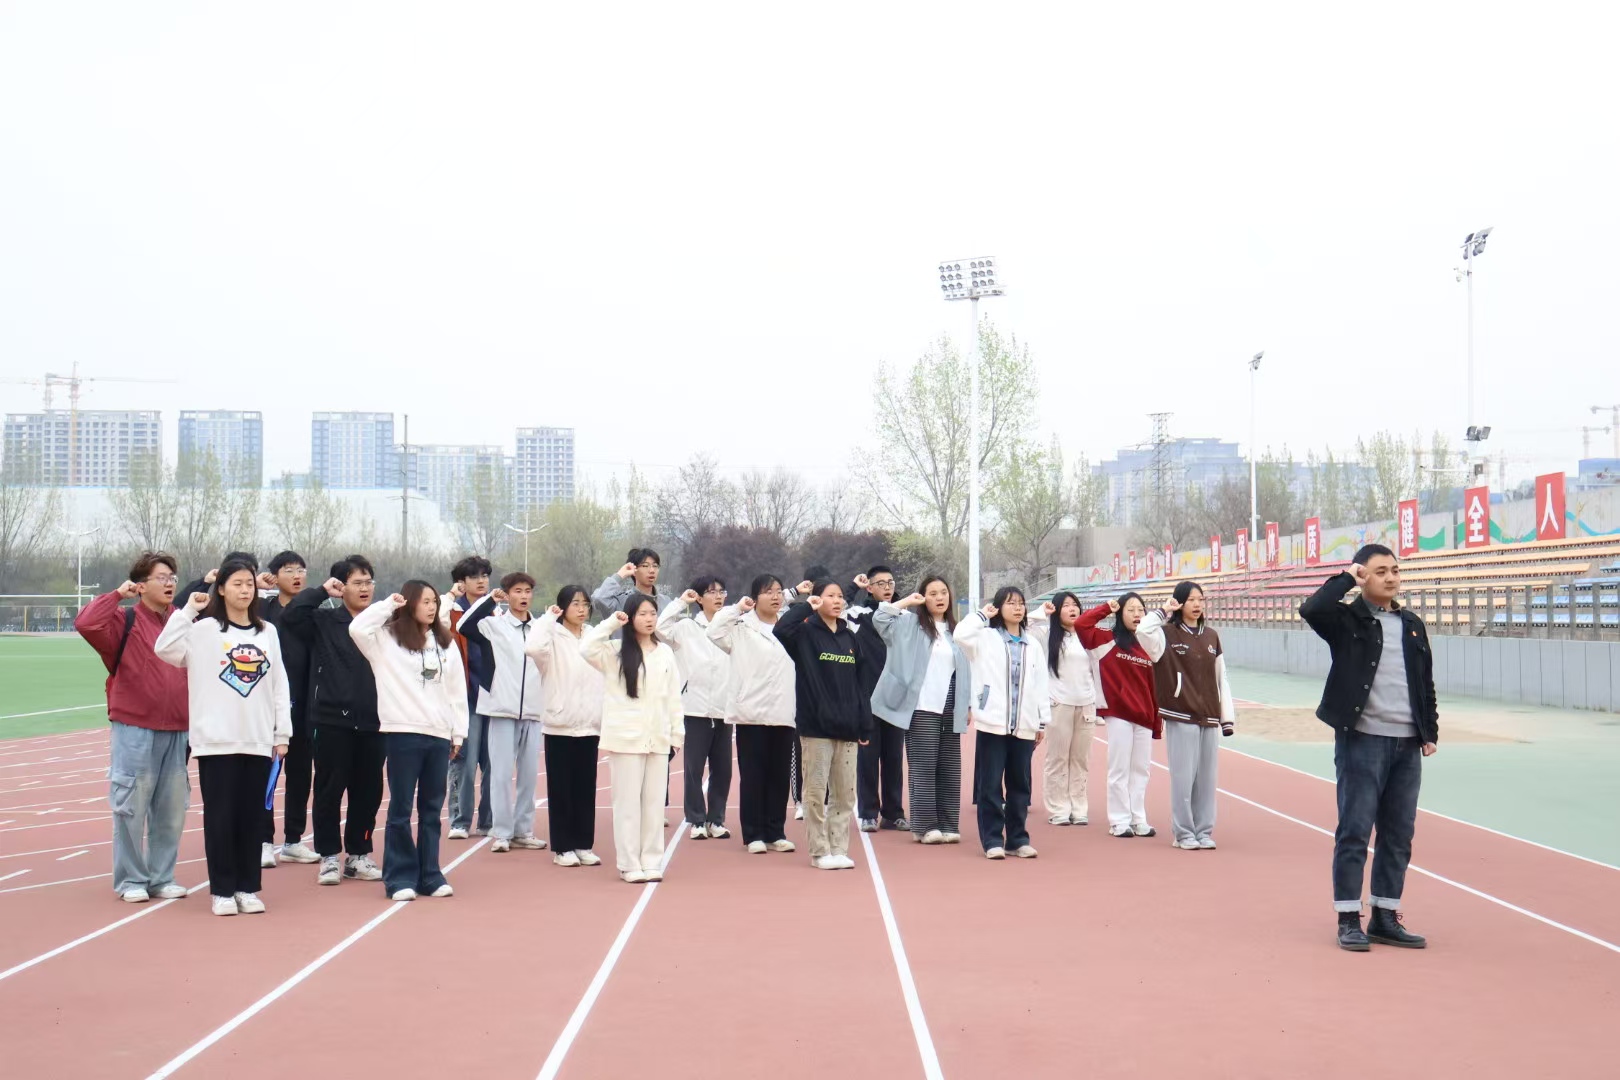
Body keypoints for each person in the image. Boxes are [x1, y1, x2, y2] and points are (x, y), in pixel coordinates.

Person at [1300, 544, 1437, 952]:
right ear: (1364, 575)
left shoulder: (1411, 624)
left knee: (1398, 834)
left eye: (1395, 570)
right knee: (1355, 830)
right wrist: (1347, 578)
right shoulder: (1347, 620)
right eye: (1380, 571)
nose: (1391, 577)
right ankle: (1348, 918)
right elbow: (1312, 609)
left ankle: (1385, 916)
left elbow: (1424, 682)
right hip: (1362, 740)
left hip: (1407, 744)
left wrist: (1429, 731)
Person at [154, 559, 291, 917]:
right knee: (221, 818)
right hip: (216, 740)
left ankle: (247, 887)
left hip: (257, 738)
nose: (245, 590)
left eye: (249, 584)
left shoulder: (267, 632)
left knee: (251, 818)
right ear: (222, 589)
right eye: (237, 584)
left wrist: (282, 733)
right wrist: (187, 611)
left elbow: (279, 684)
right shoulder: (204, 630)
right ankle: (223, 890)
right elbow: (164, 648)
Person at [73, 551, 190, 904]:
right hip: (134, 727)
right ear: (140, 585)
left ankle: (162, 877)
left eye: (172, 578)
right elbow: (86, 623)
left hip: (178, 728)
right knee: (130, 807)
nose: (169, 584)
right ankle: (131, 880)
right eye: (161, 578)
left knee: (171, 809)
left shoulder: (183, 622)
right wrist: (116, 595)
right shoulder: (123, 622)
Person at [349, 583, 468, 901]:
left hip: (439, 734)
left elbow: (457, 690)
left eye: (434, 602)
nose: (431, 607)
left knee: (431, 810)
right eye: (425, 601)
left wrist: (458, 732)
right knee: (401, 809)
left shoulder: (445, 642)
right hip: (402, 733)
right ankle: (399, 877)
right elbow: (357, 628)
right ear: (410, 603)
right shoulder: (386, 640)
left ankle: (430, 874)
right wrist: (388, 604)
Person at [281, 555, 386, 885]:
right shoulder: (324, 621)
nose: (365, 588)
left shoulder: (382, 623)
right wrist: (321, 591)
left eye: (369, 582)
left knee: (368, 792)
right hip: (330, 720)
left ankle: (359, 855)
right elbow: (289, 616)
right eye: (357, 582)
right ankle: (328, 855)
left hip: (374, 721)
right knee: (328, 790)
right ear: (341, 586)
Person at [774, 581, 877, 870]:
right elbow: (781, 629)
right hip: (816, 727)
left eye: (840, 596)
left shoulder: (849, 637)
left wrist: (864, 723)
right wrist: (808, 605)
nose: (837, 601)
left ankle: (839, 849)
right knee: (816, 793)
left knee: (844, 795)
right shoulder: (805, 634)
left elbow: (861, 684)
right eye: (830, 596)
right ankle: (820, 852)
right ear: (818, 600)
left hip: (848, 728)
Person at [582, 595, 684, 883]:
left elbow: (673, 695)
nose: (649, 619)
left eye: (653, 613)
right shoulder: (614, 652)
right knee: (627, 805)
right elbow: (585, 648)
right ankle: (629, 863)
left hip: (658, 738)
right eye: (642, 614)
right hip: (625, 739)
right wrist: (611, 623)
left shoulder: (665, 652)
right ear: (630, 617)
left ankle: (652, 861)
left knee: (653, 805)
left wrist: (677, 732)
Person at [871, 576, 970, 845]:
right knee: (923, 767)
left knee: (949, 768)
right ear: (924, 597)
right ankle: (924, 826)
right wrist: (906, 602)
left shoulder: (956, 631)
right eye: (932, 593)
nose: (939, 598)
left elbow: (966, 669)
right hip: (921, 706)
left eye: (943, 592)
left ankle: (948, 824)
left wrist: (967, 704)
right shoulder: (910, 624)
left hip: (950, 706)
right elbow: (880, 619)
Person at [707, 574, 800, 854]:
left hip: (783, 710)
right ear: (755, 597)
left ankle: (775, 831)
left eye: (779, 591)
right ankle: (753, 833)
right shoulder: (741, 626)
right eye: (768, 592)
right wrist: (737, 608)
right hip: (751, 711)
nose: (775, 596)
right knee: (753, 775)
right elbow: (713, 632)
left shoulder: (790, 626)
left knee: (779, 776)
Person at [955, 586, 1048, 859]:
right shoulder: (984, 638)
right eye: (1010, 603)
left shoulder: (1033, 644)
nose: (1017, 608)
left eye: (1020, 603)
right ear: (998, 607)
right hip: (992, 723)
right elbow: (960, 634)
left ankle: (1017, 839)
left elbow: (1041, 684)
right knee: (991, 785)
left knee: (1020, 785)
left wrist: (1041, 721)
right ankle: (993, 839)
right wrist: (982, 615)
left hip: (1024, 724)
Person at [457, 572, 547, 854]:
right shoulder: (493, 625)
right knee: (500, 774)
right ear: (507, 595)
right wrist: (488, 601)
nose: (523, 596)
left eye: (527, 591)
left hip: (533, 710)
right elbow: (463, 625)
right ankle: (502, 832)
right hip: (501, 709)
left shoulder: (541, 628)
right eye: (517, 591)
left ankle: (523, 830)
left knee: (529, 776)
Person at [525, 586, 606, 867]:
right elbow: (532, 648)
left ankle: (583, 844)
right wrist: (548, 619)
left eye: (585, 604)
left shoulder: (593, 635)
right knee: (561, 789)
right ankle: (562, 847)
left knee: (585, 788)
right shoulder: (551, 636)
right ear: (562, 607)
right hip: (560, 722)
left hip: (589, 723)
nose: (582, 609)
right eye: (575, 604)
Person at [1075, 592, 1168, 839]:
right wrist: (1107, 607)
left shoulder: (1150, 643)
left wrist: (1156, 719)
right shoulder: (1104, 639)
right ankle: (1119, 820)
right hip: (1118, 713)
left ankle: (1138, 819)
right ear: (1120, 613)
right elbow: (1081, 624)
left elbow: (1155, 685)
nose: (1137, 614)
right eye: (1131, 610)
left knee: (1141, 770)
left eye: (1141, 610)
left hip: (1144, 715)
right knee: (1119, 769)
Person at [1154, 581, 1235, 851]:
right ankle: (1183, 833)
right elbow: (1143, 632)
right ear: (1179, 603)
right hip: (1181, 714)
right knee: (1183, 777)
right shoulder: (1166, 633)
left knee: (1206, 779)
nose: (1197, 604)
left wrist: (1226, 718)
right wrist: (1163, 611)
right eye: (1191, 600)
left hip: (1209, 716)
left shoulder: (1211, 636)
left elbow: (1222, 678)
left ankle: (1204, 831)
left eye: (1200, 599)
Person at [657, 577, 734, 841]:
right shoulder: (686, 627)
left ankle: (716, 819)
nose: (718, 596)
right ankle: (696, 819)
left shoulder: (731, 626)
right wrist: (681, 602)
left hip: (724, 708)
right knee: (693, 769)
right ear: (699, 598)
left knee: (723, 770)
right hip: (694, 708)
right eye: (711, 592)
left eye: (721, 591)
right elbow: (660, 628)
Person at [257, 550, 319, 866]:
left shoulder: (313, 612)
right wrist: (255, 586)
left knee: (300, 776)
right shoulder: (262, 609)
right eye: (289, 570)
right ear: (274, 575)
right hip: (267, 706)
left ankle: (293, 840)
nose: (297, 576)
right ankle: (263, 840)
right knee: (265, 776)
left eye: (301, 570)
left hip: (304, 706)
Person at [1027, 591, 1101, 827]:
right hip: (1058, 704)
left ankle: (1078, 808)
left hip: (1086, 704)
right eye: (1066, 605)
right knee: (1058, 759)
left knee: (1080, 760)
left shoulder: (1088, 636)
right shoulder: (1046, 635)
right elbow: (1022, 626)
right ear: (1057, 610)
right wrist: (1042, 612)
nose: (1072, 609)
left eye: (1075, 605)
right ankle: (1059, 808)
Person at [441, 556, 495, 841]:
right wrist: (450, 596)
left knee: (492, 762)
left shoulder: (496, 612)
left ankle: (488, 820)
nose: (481, 581)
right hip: (465, 696)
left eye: (484, 575)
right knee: (464, 760)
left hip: (494, 698)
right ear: (461, 582)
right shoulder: (451, 613)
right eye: (474, 576)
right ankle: (460, 820)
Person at [846, 567, 904, 832]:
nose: (887, 587)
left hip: (896, 699)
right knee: (867, 759)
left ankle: (893, 813)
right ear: (869, 588)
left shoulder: (904, 615)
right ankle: (868, 812)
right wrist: (853, 587)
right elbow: (837, 609)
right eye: (881, 583)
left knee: (893, 759)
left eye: (890, 582)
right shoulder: (859, 614)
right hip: (867, 698)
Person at [592, 547, 673, 622]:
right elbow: (599, 598)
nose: (652, 570)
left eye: (655, 566)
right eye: (645, 566)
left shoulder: (666, 602)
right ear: (634, 570)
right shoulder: (621, 602)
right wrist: (619, 575)